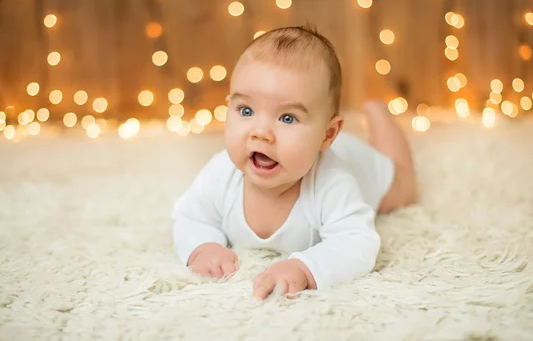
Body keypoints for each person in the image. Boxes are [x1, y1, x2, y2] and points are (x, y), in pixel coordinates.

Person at [172, 24, 416, 300]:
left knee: (403, 188)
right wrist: (202, 247)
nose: (261, 132)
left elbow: (357, 243)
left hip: (363, 164)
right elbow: (190, 216)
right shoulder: (220, 174)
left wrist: (305, 268)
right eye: (246, 110)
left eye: (287, 118)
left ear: (327, 134)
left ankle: (378, 113)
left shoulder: (332, 182)